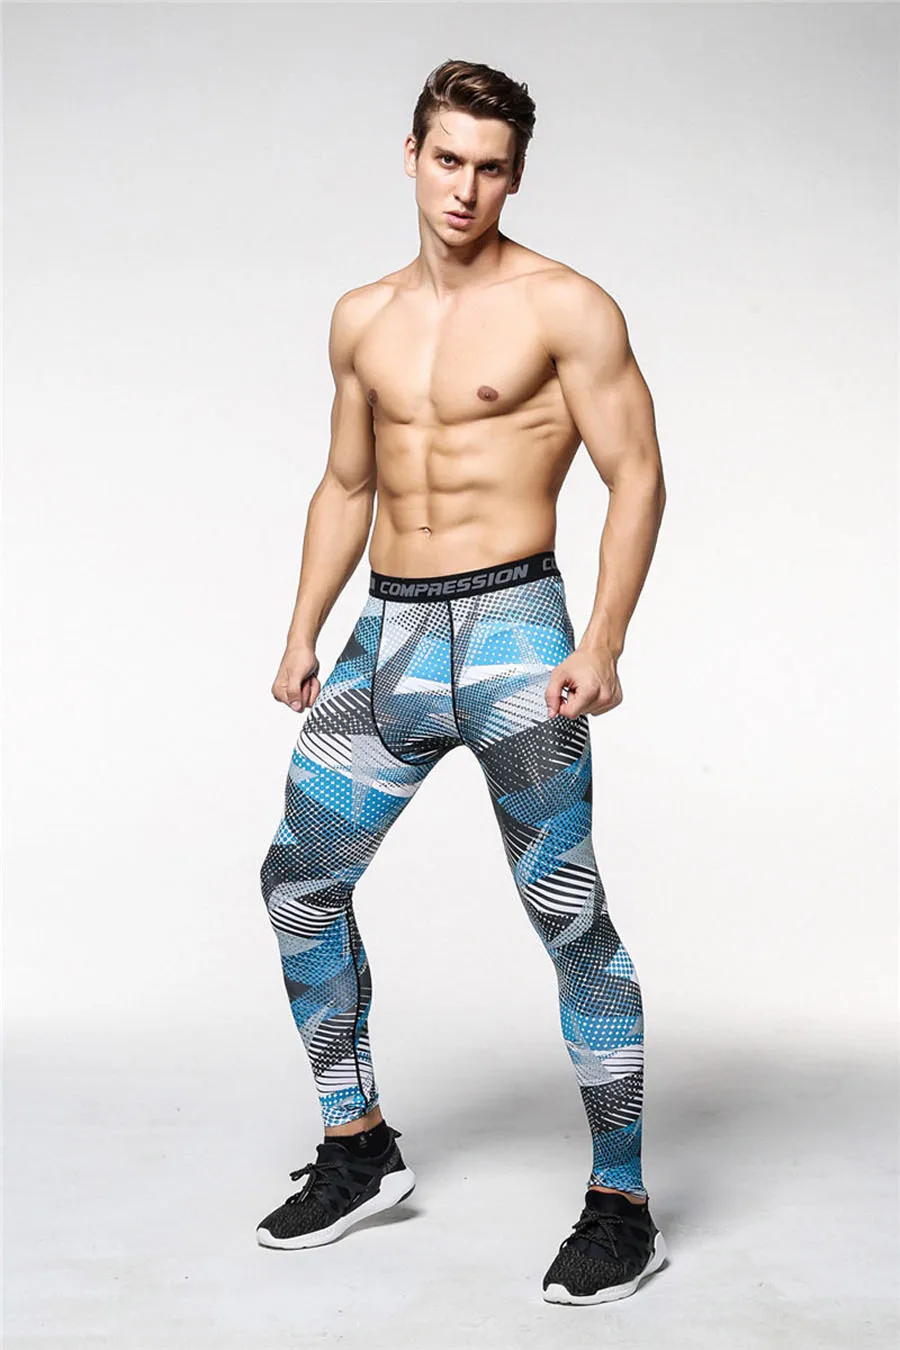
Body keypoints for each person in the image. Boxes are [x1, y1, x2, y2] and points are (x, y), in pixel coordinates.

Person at [255, 58, 668, 1305]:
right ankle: (358, 1147)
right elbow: (348, 481)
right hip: (387, 642)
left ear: (515, 176)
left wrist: (603, 641)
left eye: (490, 168)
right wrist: (302, 629)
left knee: (570, 918)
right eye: (448, 159)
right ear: (411, 155)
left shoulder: (564, 306)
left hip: (516, 642)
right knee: (298, 884)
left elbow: (637, 474)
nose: (465, 188)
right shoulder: (362, 317)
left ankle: (622, 1204)